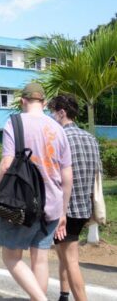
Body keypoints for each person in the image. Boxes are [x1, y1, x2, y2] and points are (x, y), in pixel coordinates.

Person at [0, 83, 73, 301]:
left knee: (11, 257)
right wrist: (63, 211)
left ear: (22, 101)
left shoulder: (14, 123)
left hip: (21, 204)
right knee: (40, 259)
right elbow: (67, 175)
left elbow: (7, 164)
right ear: (44, 103)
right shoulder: (58, 129)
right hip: (53, 206)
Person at [48, 95, 102, 301]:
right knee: (63, 253)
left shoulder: (59, 137)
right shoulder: (90, 138)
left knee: (70, 259)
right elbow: (97, 174)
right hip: (83, 208)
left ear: (62, 112)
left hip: (63, 209)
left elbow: (52, 174)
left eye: (53, 112)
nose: (52, 117)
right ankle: (63, 294)